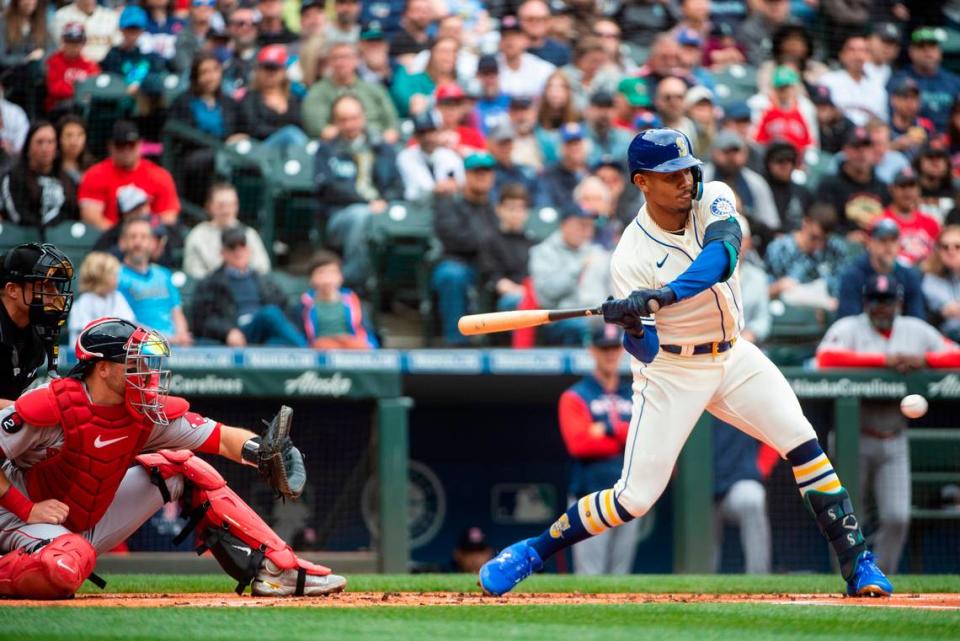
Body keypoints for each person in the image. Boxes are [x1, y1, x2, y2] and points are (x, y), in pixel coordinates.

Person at [479, 128, 893, 599]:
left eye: (687, 169)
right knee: (632, 498)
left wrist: (665, 293)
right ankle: (531, 552)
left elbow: (723, 255)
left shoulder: (713, 195)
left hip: (734, 354)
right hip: (674, 370)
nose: (685, 180)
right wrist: (632, 324)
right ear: (641, 182)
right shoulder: (630, 256)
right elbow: (647, 353)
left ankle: (860, 565)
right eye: (670, 174)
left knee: (803, 444)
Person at [0, 317, 346, 599]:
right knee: (64, 566)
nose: (146, 372)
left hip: (81, 523)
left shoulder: (143, 411)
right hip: (19, 520)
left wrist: (263, 452)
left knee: (183, 466)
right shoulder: (52, 406)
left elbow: (222, 438)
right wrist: (27, 509)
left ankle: (276, 570)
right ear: (102, 368)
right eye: (134, 362)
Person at [817, 274, 960, 573]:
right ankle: (847, 576)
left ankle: (879, 576)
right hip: (852, 438)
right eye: (876, 302)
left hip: (894, 438)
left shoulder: (914, 330)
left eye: (888, 302)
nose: (882, 308)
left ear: (899, 303)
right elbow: (826, 357)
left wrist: (923, 360)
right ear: (866, 303)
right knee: (846, 519)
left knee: (897, 517)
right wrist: (885, 361)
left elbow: (955, 355)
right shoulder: (849, 327)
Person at [558, 324, 641, 574]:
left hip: (629, 493)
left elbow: (645, 434)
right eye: (604, 348)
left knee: (620, 576)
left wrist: (606, 429)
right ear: (592, 350)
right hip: (590, 492)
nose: (610, 354)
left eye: (614, 348)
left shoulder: (636, 392)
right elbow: (579, 444)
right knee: (590, 576)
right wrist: (624, 435)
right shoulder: (576, 395)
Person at [313, 95, 403, 290]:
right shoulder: (327, 149)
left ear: (363, 117)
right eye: (343, 120)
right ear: (335, 122)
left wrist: (384, 202)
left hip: (382, 208)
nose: (350, 124)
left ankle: (391, 285)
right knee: (362, 216)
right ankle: (352, 282)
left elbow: (398, 185)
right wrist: (366, 202)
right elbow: (327, 187)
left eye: (354, 118)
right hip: (341, 215)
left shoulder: (382, 147)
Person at [190, 226, 305, 347]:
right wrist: (228, 332)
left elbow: (285, 311)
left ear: (249, 250)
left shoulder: (265, 281)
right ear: (223, 253)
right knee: (270, 313)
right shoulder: (210, 283)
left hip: (263, 336)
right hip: (237, 333)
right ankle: (309, 353)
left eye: (242, 246)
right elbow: (202, 319)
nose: (238, 252)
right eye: (232, 247)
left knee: (277, 343)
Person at [431, 152, 498, 346]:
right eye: (476, 172)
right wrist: (489, 240)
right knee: (451, 275)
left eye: (486, 172)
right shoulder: (450, 203)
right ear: (466, 175)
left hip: (494, 265)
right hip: (461, 262)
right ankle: (456, 343)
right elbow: (455, 239)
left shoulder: (496, 207)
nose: (482, 176)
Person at [0, 244, 73, 406]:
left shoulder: (38, 327)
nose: (54, 294)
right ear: (12, 290)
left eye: (55, 286)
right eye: (44, 286)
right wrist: (26, 408)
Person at [78, 121, 181, 231]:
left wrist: (142, 236)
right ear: (110, 146)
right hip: (108, 240)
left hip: (149, 241)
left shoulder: (159, 175)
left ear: (140, 144)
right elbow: (91, 218)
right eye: (120, 145)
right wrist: (122, 236)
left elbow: (169, 217)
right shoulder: (95, 175)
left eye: (131, 144)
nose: (126, 150)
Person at [528, 206, 609, 346]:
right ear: (564, 225)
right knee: (579, 327)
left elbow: (612, 290)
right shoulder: (543, 252)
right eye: (581, 225)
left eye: (590, 226)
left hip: (598, 316)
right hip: (561, 318)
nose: (587, 231)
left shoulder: (598, 253)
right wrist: (577, 268)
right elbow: (546, 296)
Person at [117, 217, 192, 346]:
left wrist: (182, 335)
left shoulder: (164, 274)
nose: (138, 242)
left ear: (152, 243)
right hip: (137, 347)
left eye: (143, 237)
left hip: (174, 346)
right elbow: (124, 321)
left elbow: (176, 311)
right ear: (122, 242)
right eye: (133, 237)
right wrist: (164, 339)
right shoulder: (115, 276)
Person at [302, 42, 400, 140]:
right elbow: (316, 127)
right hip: (339, 144)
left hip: (378, 140)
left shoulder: (373, 88)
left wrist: (389, 134)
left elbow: (392, 120)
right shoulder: (318, 92)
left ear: (356, 60)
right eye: (335, 58)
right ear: (329, 62)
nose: (340, 62)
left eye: (345, 57)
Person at [701, 131, 780, 248]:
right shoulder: (702, 177)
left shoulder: (756, 183)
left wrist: (745, 215)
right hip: (704, 241)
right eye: (726, 151)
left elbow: (771, 224)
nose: (731, 157)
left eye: (736, 152)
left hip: (748, 247)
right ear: (714, 153)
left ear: (745, 154)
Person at [712, 421, 772, 574]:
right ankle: (697, 591)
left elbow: (778, 428)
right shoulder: (687, 398)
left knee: (752, 497)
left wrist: (761, 468)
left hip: (737, 484)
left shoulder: (745, 398)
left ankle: (759, 584)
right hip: (697, 492)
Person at [764, 204, 849, 310]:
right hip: (788, 311)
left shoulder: (836, 249)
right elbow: (762, 292)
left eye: (824, 240)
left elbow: (842, 286)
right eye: (814, 237)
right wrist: (778, 287)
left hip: (827, 311)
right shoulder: (779, 248)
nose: (819, 246)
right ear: (805, 223)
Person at [837, 218, 926, 320]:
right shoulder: (853, 275)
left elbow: (917, 319)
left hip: (899, 333)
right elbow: (848, 319)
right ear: (870, 243)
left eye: (893, 240)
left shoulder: (909, 275)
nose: (889, 246)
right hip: (862, 332)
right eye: (883, 240)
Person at [0, 121, 78, 230]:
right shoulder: (13, 177)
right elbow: (16, 216)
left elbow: (72, 215)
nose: (45, 148)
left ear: (57, 147)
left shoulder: (68, 181)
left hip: (59, 243)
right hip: (23, 241)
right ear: (28, 147)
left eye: (50, 142)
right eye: (39, 142)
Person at [183, 183, 270, 279]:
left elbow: (262, 269)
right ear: (209, 206)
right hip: (211, 290)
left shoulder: (249, 234)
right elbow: (194, 274)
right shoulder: (197, 236)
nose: (226, 210)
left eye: (231, 204)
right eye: (221, 205)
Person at [816, 127, 889, 237]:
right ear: (845, 151)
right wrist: (845, 235)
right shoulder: (830, 185)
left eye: (866, 147)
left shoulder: (882, 187)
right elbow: (822, 222)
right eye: (856, 147)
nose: (862, 152)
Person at [297, 250, 377, 350]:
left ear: (341, 277)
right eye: (321, 273)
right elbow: (299, 336)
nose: (327, 279)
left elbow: (368, 334)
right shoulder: (303, 305)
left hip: (351, 349)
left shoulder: (354, 302)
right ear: (311, 278)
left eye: (332, 273)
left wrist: (369, 346)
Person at [887, 27, 960, 134]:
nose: (928, 52)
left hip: (948, 140)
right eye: (921, 47)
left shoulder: (954, 81)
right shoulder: (899, 80)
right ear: (911, 52)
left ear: (939, 52)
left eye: (932, 47)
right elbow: (894, 117)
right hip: (913, 138)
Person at [237, 45, 307, 149]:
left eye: (275, 68)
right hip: (262, 148)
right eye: (266, 68)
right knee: (290, 133)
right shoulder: (249, 98)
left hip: (293, 150)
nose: (270, 73)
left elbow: (302, 126)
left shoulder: (294, 98)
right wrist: (283, 132)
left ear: (283, 71)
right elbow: (254, 129)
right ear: (258, 71)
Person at [479, 183, 534, 311]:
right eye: (511, 208)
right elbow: (495, 280)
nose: (516, 214)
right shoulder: (490, 241)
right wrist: (525, 293)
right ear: (499, 209)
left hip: (533, 296)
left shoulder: (534, 243)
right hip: (504, 301)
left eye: (521, 208)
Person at [817, 34, 888, 127]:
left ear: (868, 56)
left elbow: (882, 122)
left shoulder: (877, 88)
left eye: (863, 51)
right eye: (852, 50)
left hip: (868, 137)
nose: (858, 56)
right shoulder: (828, 80)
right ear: (842, 55)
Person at [67, 252, 136, 347]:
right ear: (101, 276)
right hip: (88, 353)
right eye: (114, 274)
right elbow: (85, 334)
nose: (118, 279)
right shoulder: (84, 301)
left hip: (114, 351)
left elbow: (129, 324)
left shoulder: (117, 297)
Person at [395, 110, 464, 203]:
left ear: (439, 131)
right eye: (422, 133)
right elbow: (412, 192)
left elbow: (462, 184)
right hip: (419, 209)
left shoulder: (450, 156)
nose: (428, 137)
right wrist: (437, 189)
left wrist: (455, 185)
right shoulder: (405, 157)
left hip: (449, 207)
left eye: (431, 131)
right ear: (415, 136)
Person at [100, 6, 168, 100]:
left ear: (142, 31)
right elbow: (109, 81)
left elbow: (156, 77)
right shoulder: (113, 55)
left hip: (145, 101)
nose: (132, 34)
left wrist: (140, 88)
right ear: (121, 29)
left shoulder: (149, 55)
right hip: (119, 101)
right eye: (129, 29)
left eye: (136, 30)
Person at [881, 167, 941, 267]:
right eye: (903, 186)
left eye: (912, 186)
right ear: (892, 189)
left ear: (919, 190)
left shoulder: (930, 222)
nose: (908, 192)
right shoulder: (882, 222)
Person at [44, 22, 100, 115]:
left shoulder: (89, 64)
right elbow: (55, 89)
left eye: (77, 42)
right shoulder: (54, 61)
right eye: (70, 42)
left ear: (83, 43)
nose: (73, 47)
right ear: (63, 41)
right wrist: (80, 91)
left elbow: (95, 87)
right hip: (59, 108)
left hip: (84, 107)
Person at [496, 14, 555, 99]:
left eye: (515, 36)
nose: (509, 40)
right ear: (500, 42)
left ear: (526, 40)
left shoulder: (541, 68)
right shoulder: (491, 66)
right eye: (505, 36)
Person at [486, 120, 544, 207]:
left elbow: (539, 197)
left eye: (508, 142)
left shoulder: (524, 171)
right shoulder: (485, 171)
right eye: (501, 143)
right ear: (490, 144)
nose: (505, 147)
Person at [763, 142, 813, 233]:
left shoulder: (802, 192)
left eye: (790, 161)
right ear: (769, 164)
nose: (786, 166)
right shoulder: (760, 188)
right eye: (780, 161)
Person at [922, 225, 960, 341]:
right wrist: (942, 314)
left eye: (957, 246)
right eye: (945, 247)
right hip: (942, 339)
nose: (951, 251)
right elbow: (923, 318)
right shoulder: (929, 279)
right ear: (938, 250)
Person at [51, 0, 118, 63]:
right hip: (75, 67)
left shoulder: (111, 16)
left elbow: (118, 45)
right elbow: (62, 48)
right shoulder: (61, 16)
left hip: (107, 67)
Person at [542, 123, 589, 210]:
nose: (574, 148)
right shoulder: (550, 174)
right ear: (561, 147)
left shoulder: (592, 171)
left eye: (577, 143)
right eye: (569, 144)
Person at [888, 77, 935, 161]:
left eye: (914, 98)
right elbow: (871, 155)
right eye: (905, 97)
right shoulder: (883, 127)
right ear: (893, 99)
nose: (910, 103)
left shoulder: (925, 125)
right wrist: (894, 146)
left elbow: (935, 153)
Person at [518, 0, 569, 67]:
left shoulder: (560, 50)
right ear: (520, 20)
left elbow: (568, 75)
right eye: (530, 19)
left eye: (541, 19)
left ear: (549, 21)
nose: (535, 23)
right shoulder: (512, 48)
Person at [55, 115, 95, 186]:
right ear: (59, 138)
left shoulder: (93, 167)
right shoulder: (51, 167)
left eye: (79, 135)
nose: (74, 141)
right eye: (68, 135)